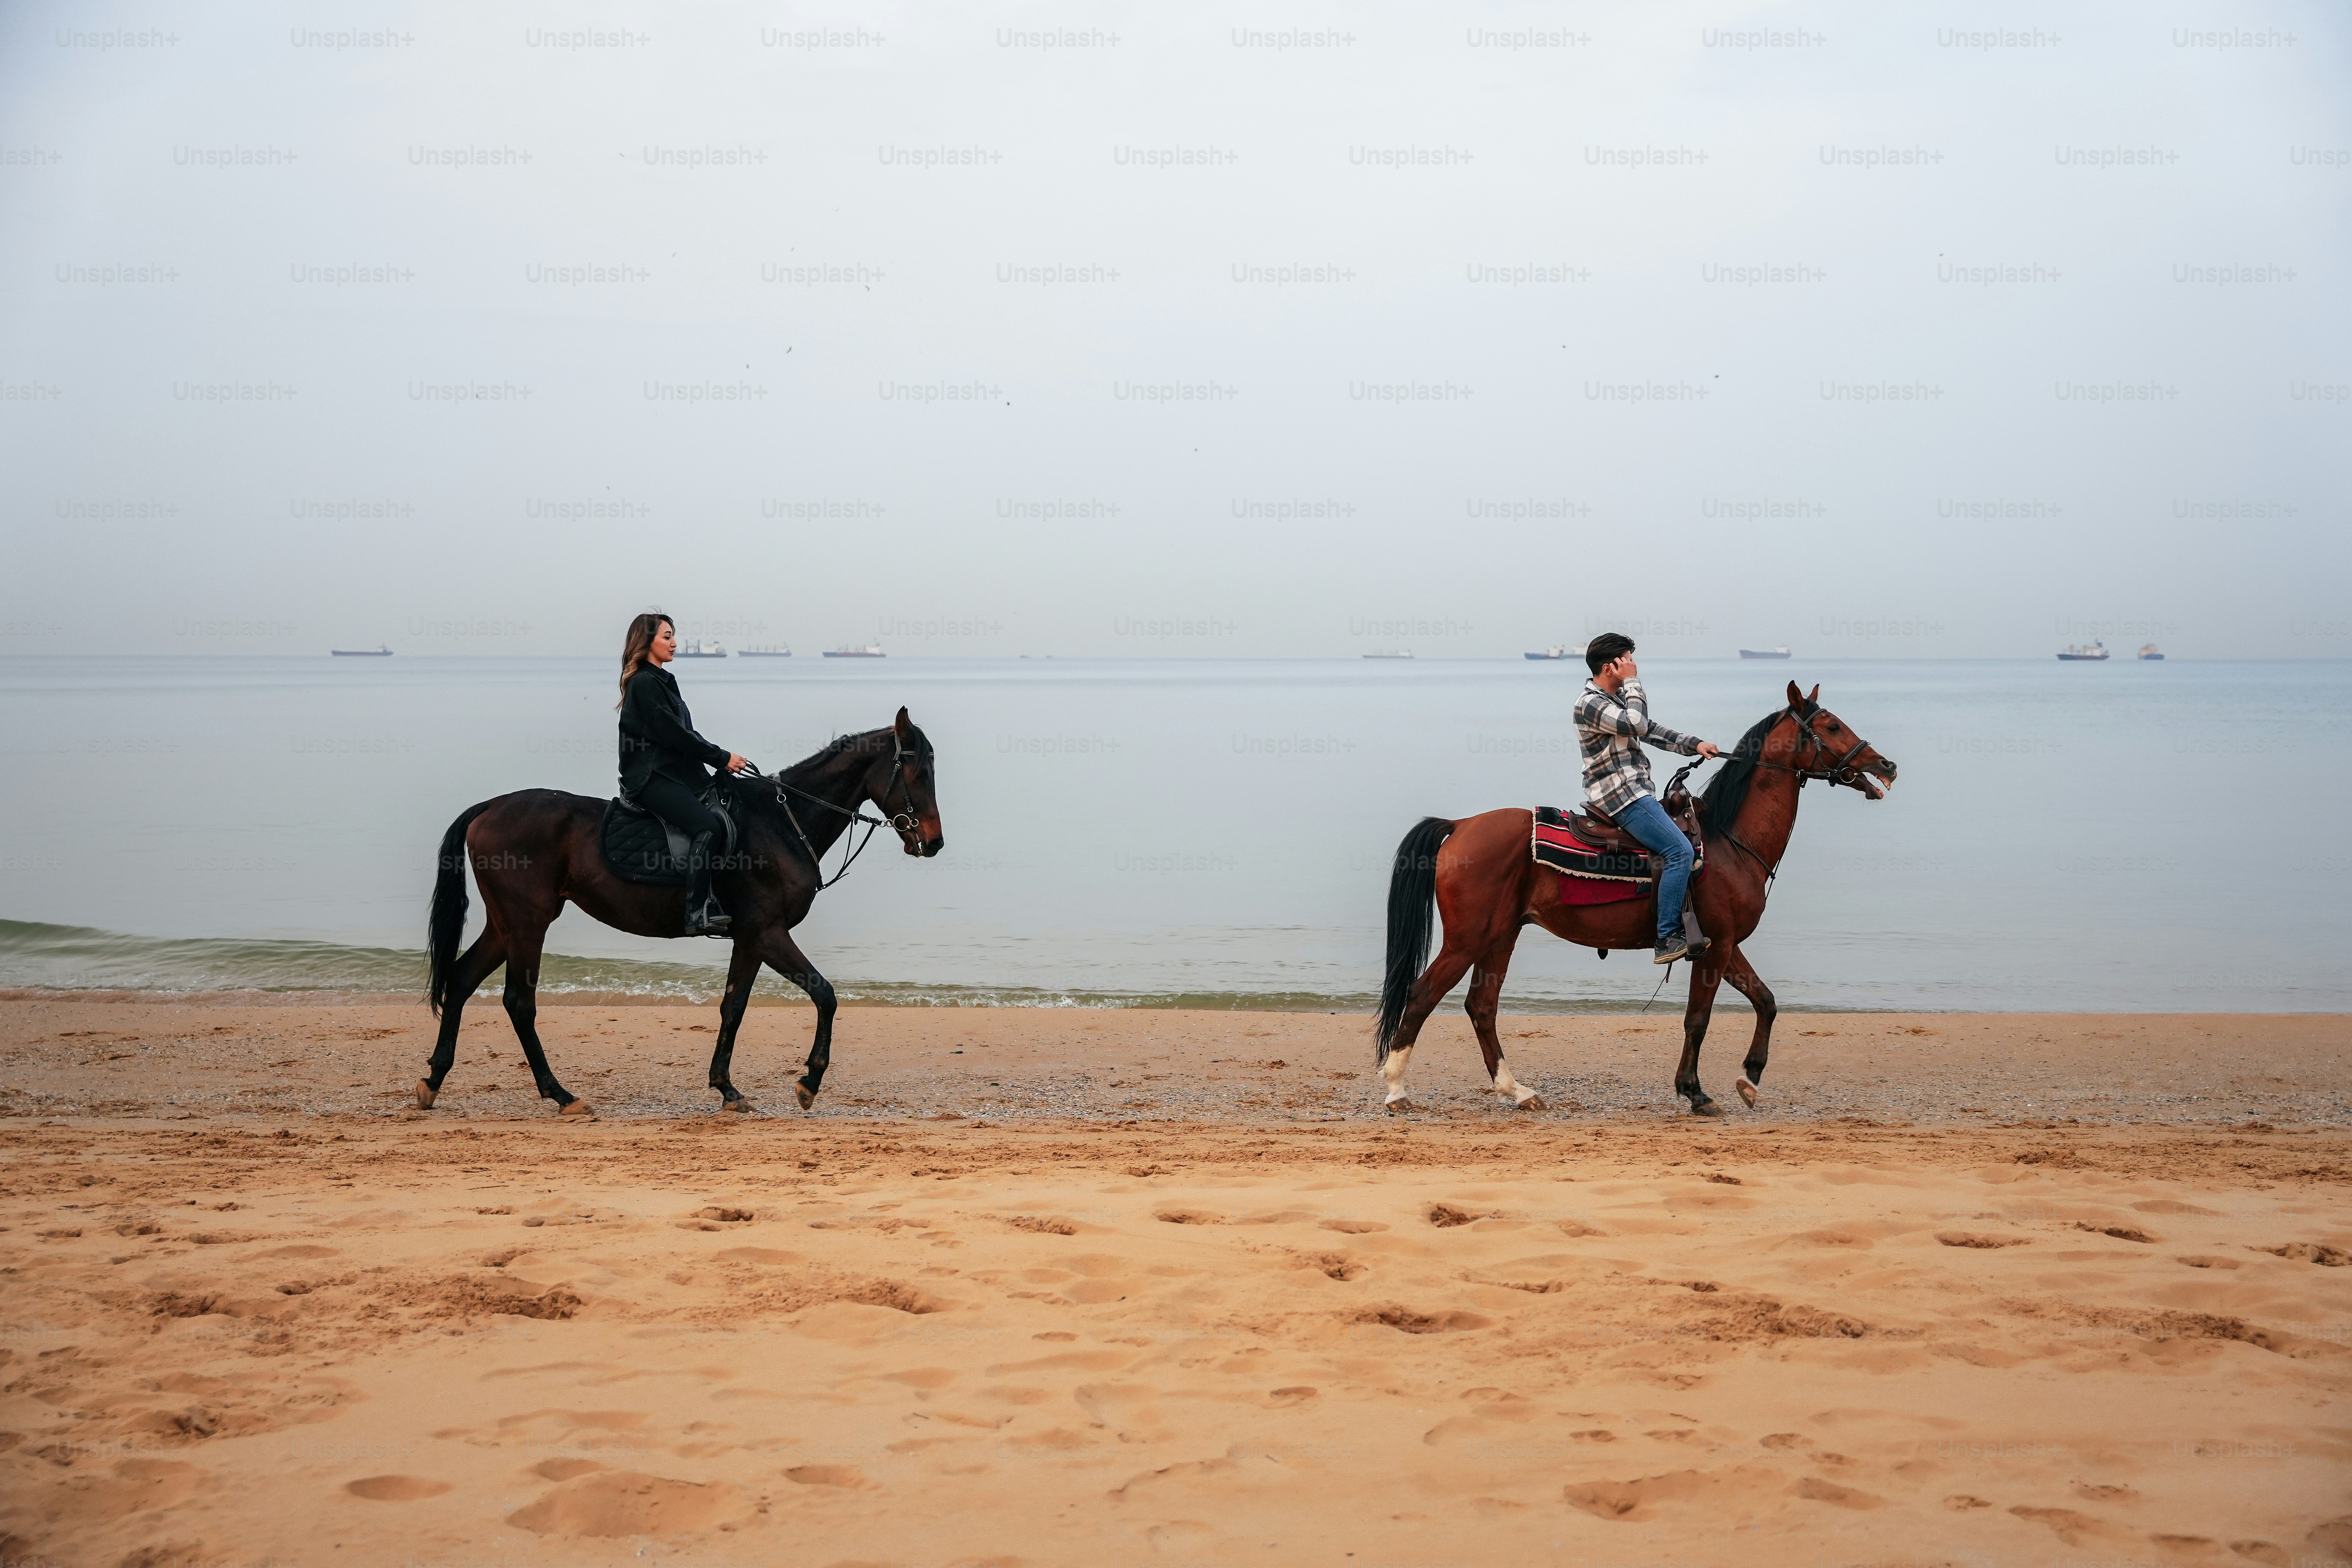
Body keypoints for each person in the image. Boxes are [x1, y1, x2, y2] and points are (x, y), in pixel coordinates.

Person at [1573, 632, 1722, 964]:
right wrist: (1634, 682)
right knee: (1680, 850)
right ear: (1610, 667)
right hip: (1622, 797)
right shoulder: (1590, 704)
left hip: (1636, 792)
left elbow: (1651, 729)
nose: (1633, 665)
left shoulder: (1613, 701)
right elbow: (1638, 724)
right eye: (1626, 660)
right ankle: (1667, 936)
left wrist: (1695, 744)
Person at [617, 613, 751, 936]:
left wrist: (720, 759)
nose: (674, 643)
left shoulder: (663, 680)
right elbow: (675, 736)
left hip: (676, 774)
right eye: (667, 637)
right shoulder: (644, 684)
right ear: (646, 642)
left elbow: (687, 733)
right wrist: (721, 758)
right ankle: (695, 912)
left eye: (673, 636)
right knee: (707, 827)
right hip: (651, 778)